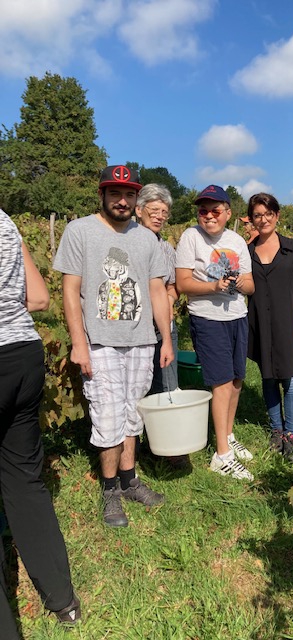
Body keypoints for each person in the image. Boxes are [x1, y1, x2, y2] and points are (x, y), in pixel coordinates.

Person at [53, 165, 174, 527]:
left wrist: (165, 337)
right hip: (100, 342)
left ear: (137, 199)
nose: (122, 201)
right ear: (102, 195)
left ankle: (129, 479)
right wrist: (79, 343)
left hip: (141, 341)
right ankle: (110, 492)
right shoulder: (80, 231)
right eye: (114, 194)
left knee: (132, 413)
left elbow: (156, 291)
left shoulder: (146, 239)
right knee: (107, 416)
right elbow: (70, 291)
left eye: (129, 194)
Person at [0, 209, 80, 636]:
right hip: (21, 354)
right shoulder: (5, 221)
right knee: (25, 481)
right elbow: (39, 298)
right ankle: (63, 599)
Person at [175, 185, 255, 480]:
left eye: (215, 211)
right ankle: (221, 456)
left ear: (227, 213)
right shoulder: (190, 237)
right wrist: (213, 286)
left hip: (237, 315)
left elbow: (251, 284)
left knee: (235, 381)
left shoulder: (237, 240)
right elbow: (182, 283)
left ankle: (228, 435)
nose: (209, 216)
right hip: (207, 319)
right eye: (203, 211)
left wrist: (237, 284)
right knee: (220, 383)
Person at [246, 192, 293, 462]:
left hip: (289, 324)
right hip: (260, 324)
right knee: (268, 377)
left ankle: (291, 434)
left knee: (291, 379)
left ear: (277, 215)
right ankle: (276, 429)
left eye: (268, 214)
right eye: (257, 215)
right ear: (251, 219)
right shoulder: (248, 252)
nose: (263, 220)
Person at [135, 183, 188, 469]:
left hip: (164, 325)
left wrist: (168, 297)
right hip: (136, 326)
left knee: (167, 383)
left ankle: (167, 445)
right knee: (139, 385)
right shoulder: (128, 241)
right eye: (153, 210)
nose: (159, 216)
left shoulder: (166, 248)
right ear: (139, 210)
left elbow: (173, 285)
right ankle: (139, 442)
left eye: (164, 212)